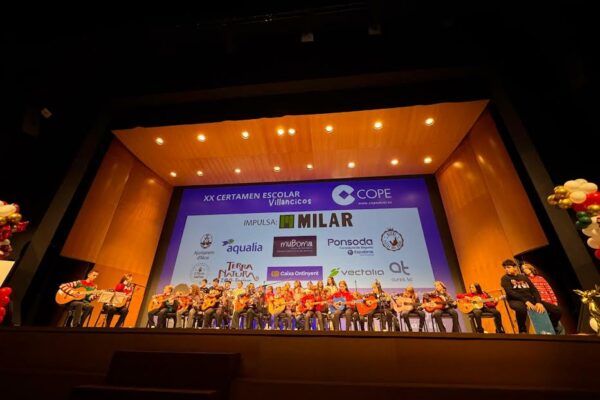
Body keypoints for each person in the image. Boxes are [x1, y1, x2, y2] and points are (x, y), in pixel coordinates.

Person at [500, 259, 562, 334]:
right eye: (505, 268)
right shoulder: (505, 278)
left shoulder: (524, 277)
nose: (506, 269)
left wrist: (538, 302)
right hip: (515, 300)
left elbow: (534, 290)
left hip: (530, 299)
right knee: (521, 309)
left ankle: (551, 326)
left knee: (557, 310)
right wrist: (526, 301)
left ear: (515, 267)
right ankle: (522, 330)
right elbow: (510, 292)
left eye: (508, 267)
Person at [521, 263, 564, 334]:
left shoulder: (540, 278)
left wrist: (554, 302)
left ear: (530, 268)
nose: (524, 270)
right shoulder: (526, 280)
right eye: (523, 269)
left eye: (525, 268)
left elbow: (549, 290)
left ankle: (560, 334)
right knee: (546, 321)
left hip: (549, 302)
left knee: (557, 318)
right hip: (540, 303)